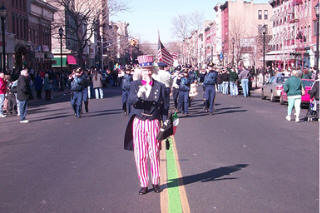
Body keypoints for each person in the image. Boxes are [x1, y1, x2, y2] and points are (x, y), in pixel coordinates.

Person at [124, 55, 169, 195]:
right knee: (140, 154)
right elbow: (130, 101)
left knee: (154, 153)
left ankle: (155, 181)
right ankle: (144, 183)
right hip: (139, 122)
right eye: (145, 70)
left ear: (153, 70)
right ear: (140, 71)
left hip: (153, 122)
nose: (147, 73)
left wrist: (165, 123)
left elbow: (165, 107)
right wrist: (138, 94)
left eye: (149, 69)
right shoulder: (134, 85)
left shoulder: (160, 86)